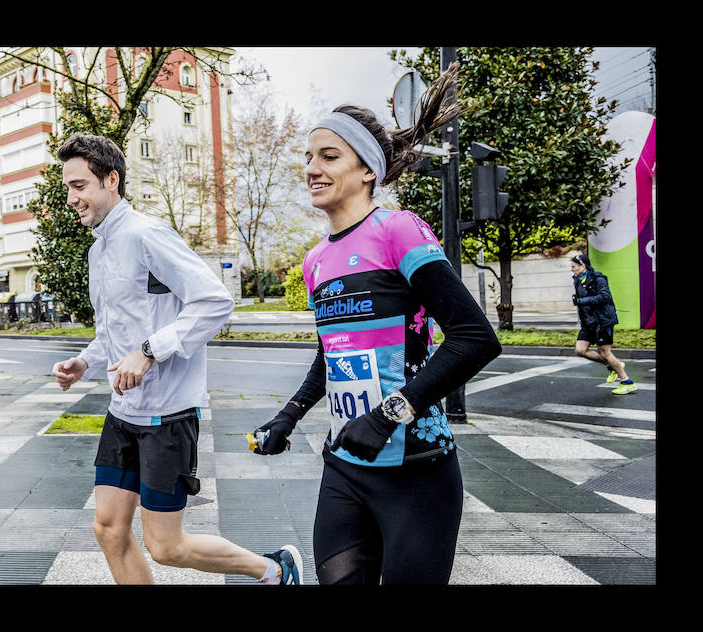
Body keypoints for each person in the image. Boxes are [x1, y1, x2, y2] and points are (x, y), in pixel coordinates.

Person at [252, 63, 502, 584]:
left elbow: (476, 339)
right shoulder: (315, 259)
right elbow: (333, 352)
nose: (312, 169)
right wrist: (289, 415)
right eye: (308, 158)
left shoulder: (398, 231)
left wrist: (388, 415)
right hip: (345, 465)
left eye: (329, 156)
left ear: (368, 169)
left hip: (416, 469)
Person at [51, 133, 303, 585]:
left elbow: (213, 301)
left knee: (166, 547)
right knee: (108, 530)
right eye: (67, 187)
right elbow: (115, 328)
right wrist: (85, 361)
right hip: (122, 413)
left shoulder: (148, 235)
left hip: (167, 417)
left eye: (80, 185)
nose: (71, 197)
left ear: (112, 180)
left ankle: (275, 569)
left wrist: (149, 353)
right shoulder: (98, 249)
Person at [570, 253, 636, 394]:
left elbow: (604, 297)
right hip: (588, 322)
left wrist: (581, 301)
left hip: (602, 321)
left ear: (583, 266)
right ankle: (613, 365)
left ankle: (627, 382)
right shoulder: (577, 279)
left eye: (573, 266)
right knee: (580, 350)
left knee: (604, 352)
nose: (572, 269)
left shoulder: (598, 279)